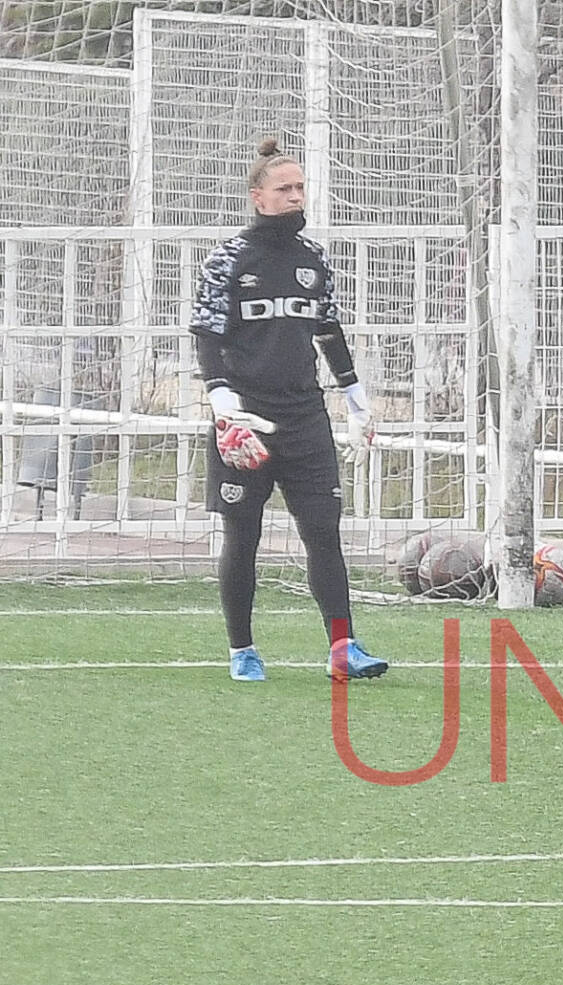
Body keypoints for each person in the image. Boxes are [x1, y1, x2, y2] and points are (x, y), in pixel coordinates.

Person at [189, 137, 391, 681]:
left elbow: (327, 329)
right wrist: (221, 399)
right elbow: (206, 335)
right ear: (258, 197)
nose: (296, 197)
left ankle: (344, 646)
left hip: (305, 416)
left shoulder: (313, 259)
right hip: (247, 418)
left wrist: (354, 397)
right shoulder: (229, 259)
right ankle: (242, 649)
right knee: (243, 534)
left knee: (323, 531)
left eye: (301, 188)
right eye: (285, 189)